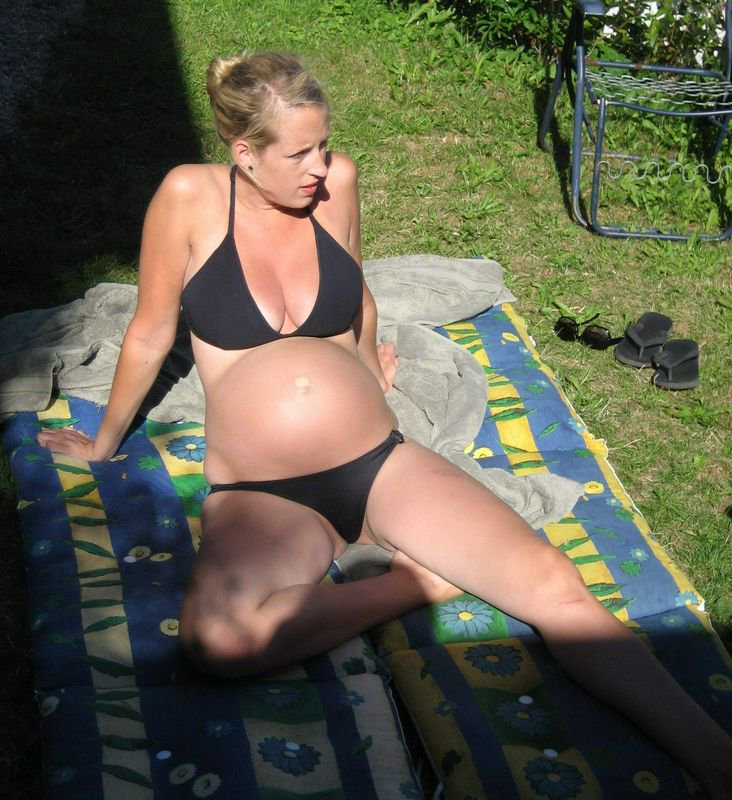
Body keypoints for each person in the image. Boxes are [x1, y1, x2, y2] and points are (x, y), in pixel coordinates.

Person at [37, 51, 731, 797]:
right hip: (266, 493)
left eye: (324, 145)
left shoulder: (337, 183)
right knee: (219, 640)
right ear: (244, 153)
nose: (319, 166)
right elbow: (149, 333)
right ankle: (417, 582)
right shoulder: (189, 196)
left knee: (557, 587)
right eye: (299, 153)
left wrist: (370, 370)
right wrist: (103, 444)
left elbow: (356, 297)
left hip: (378, 462)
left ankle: (718, 759)